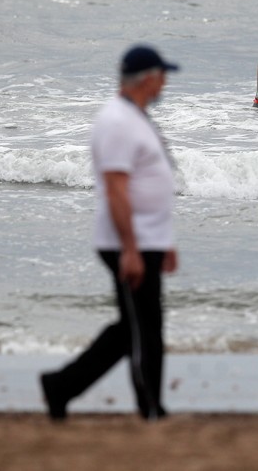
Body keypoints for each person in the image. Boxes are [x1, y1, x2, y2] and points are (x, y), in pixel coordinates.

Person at [40, 45, 179, 421]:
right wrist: (131, 250)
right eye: (162, 75)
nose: (165, 82)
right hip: (127, 242)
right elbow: (116, 189)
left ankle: (60, 386)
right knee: (144, 329)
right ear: (147, 78)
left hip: (146, 239)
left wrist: (163, 241)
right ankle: (151, 409)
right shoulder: (117, 121)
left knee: (133, 327)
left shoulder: (135, 117)